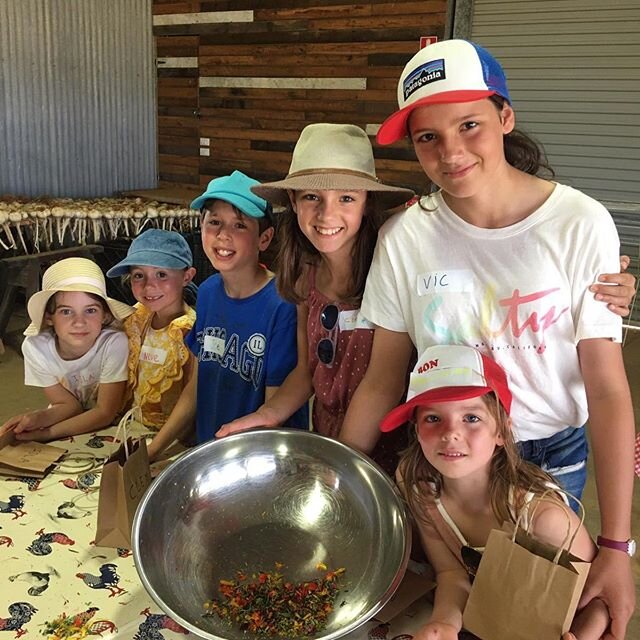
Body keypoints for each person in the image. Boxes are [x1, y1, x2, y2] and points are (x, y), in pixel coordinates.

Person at [340, 39, 635, 638]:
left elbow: (606, 387)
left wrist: (618, 546)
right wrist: (339, 474)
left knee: (541, 611)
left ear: (505, 117)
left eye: (469, 124)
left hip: (549, 453)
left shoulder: (579, 223)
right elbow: (383, 375)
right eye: (428, 137)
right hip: (444, 455)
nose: (451, 153)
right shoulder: (406, 237)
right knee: (451, 599)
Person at [217, 124, 414, 473]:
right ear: (293, 201)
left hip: (386, 452)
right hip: (328, 439)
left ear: (367, 204)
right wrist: (267, 414)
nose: (327, 214)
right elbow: (308, 369)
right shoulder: (303, 273)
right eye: (312, 197)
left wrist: (341, 463)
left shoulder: (390, 271)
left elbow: (384, 383)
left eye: (347, 198)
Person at [385, 344, 609, 640]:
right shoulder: (420, 488)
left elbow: (599, 602)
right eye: (433, 418)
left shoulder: (544, 518)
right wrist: (443, 625)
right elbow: (452, 575)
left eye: (471, 418)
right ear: (415, 429)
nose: (450, 432)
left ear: (502, 431)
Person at [146, 170, 308, 455]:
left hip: (258, 458)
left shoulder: (282, 305)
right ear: (201, 225)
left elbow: (274, 409)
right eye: (215, 222)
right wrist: (152, 451)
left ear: (265, 238)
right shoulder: (207, 293)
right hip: (212, 449)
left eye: (240, 226)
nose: (223, 235)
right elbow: (198, 384)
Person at [0, 257, 133, 441]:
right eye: (66, 311)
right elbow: (68, 405)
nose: (79, 322)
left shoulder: (114, 343)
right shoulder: (36, 348)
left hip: (110, 423)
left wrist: (48, 433)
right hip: (67, 417)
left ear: (105, 315)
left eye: (91, 310)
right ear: (48, 317)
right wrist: (36, 418)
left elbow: (105, 412)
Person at [106, 229, 197, 453]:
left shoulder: (192, 331)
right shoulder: (136, 317)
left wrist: (154, 451)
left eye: (161, 274)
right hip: (129, 427)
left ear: (187, 276)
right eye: (139, 275)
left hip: (171, 440)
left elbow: (192, 400)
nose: (148, 286)